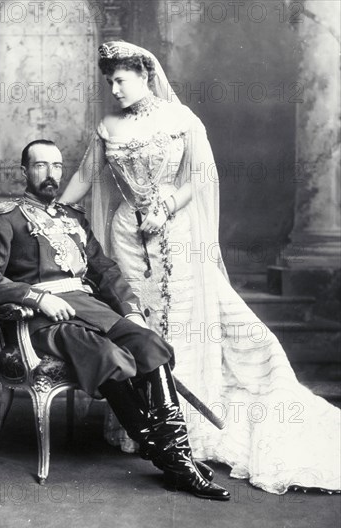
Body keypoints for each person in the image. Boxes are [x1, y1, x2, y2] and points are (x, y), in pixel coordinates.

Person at [59, 41, 341, 495]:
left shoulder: (182, 120)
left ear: (146, 74)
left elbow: (199, 178)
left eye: (121, 79)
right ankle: (145, 428)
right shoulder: (108, 125)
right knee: (139, 323)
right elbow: (84, 178)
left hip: (177, 232)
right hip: (126, 236)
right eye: (109, 82)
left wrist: (166, 205)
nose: (113, 90)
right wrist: (48, 212)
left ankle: (188, 429)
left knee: (184, 322)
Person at [0, 139, 231, 501]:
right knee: (105, 354)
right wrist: (36, 297)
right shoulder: (6, 217)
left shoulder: (74, 219)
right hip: (44, 320)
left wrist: (131, 309)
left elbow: (104, 271)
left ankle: (173, 456)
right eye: (40, 166)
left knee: (148, 343)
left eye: (57, 166)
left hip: (92, 310)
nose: (50, 174)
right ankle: (178, 464)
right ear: (24, 171)